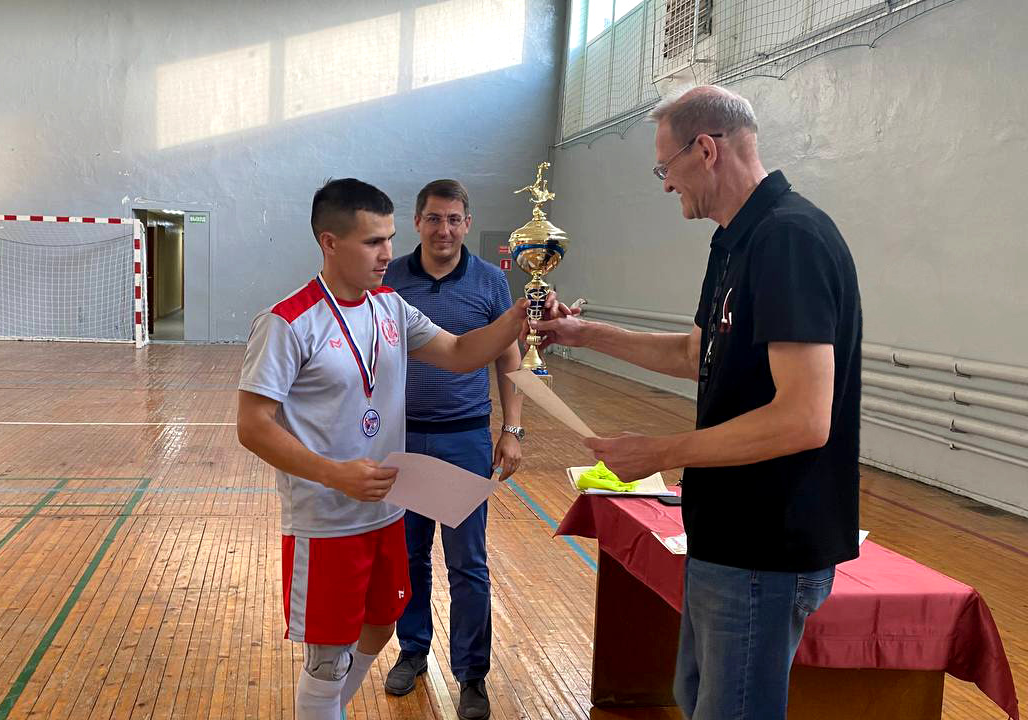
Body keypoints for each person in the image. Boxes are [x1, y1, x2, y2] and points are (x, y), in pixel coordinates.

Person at [535, 85, 863, 719]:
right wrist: (583, 333)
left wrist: (658, 452)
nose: (664, 183)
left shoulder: (788, 239)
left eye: (665, 167)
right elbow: (696, 354)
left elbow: (803, 419)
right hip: (724, 537)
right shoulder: (734, 240)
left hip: (766, 547)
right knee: (694, 697)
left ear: (706, 150)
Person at [236, 178, 528, 720]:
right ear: (330, 243)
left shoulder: (390, 306)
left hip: (387, 511)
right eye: (373, 241)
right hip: (327, 521)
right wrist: (334, 474)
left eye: (390, 238)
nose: (388, 253)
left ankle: (328, 709)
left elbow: (460, 352)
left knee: (382, 624)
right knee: (327, 659)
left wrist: (518, 317)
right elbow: (252, 426)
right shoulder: (287, 322)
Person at [378, 179, 522, 719]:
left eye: (454, 219)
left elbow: (508, 358)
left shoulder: (491, 281)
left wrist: (512, 430)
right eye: (434, 218)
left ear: (467, 223)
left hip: (464, 439)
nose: (444, 229)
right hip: (404, 439)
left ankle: (472, 674)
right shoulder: (389, 279)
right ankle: (412, 650)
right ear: (417, 222)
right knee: (409, 555)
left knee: (468, 564)